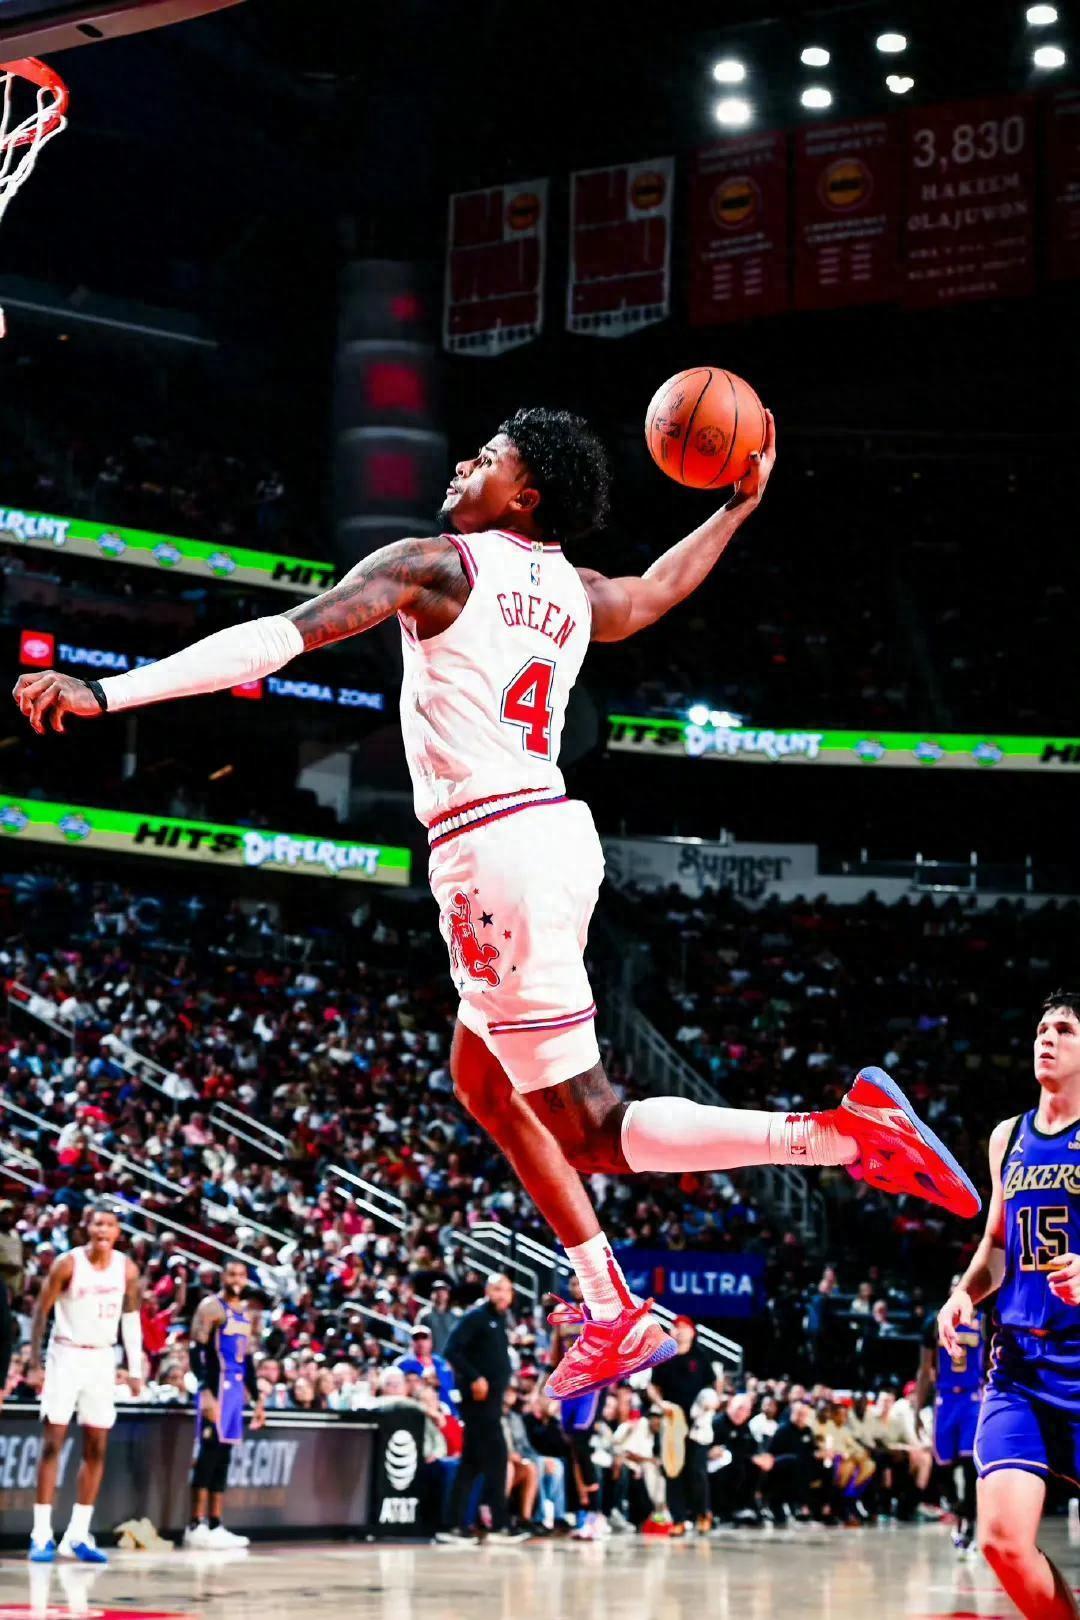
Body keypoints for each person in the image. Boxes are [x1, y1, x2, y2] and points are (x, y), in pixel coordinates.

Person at [15, 411, 981, 1397]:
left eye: (488, 458)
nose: (464, 464)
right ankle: (609, 1308)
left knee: (593, 1133)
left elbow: (280, 639)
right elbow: (652, 592)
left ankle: (838, 1135)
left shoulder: (437, 565)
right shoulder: (573, 590)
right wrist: (735, 509)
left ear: (524, 496)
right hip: (549, 835)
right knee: (481, 1082)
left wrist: (109, 693)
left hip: (491, 856)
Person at [939, 990, 1080, 1619]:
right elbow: (997, 1244)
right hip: (1019, 1366)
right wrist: (963, 1294)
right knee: (1001, 1542)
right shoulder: (1008, 1137)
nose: (1047, 1038)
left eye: (1065, 1030)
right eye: (1043, 1028)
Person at [26, 1205, 143, 1564]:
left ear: (118, 1232)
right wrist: (34, 1362)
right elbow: (40, 1311)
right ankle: (41, 1534)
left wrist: (135, 1368)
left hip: (102, 1358)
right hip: (66, 1354)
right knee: (53, 1444)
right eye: (97, 1224)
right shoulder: (68, 1264)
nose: (103, 1230)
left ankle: (77, 1535)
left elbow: (131, 1318)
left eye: (110, 1224)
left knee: (96, 1447)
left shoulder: (127, 1269)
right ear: (86, 1228)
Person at [184, 1257, 266, 1550]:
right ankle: (195, 1524)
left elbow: (248, 1361)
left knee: (223, 1457)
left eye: (241, 1275)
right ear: (223, 1277)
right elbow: (196, 1350)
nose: (236, 1279)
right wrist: (204, 1391)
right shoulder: (211, 1307)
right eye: (231, 1274)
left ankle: (216, 1524)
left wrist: (257, 1398)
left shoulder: (246, 1314)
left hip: (235, 1391)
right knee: (208, 1455)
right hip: (216, 1387)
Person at [440, 1275, 528, 1542]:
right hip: (478, 1402)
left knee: (471, 1463)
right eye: (498, 1289)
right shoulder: (476, 1317)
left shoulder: (500, 1320)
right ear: (488, 1291)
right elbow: (451, 1350)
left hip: (492, 1402)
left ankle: (454, 1525)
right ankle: (499, 1525)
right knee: (498, 1458)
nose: (503, 1295)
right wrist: (475, 1377)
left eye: (507, 1291)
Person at [916, 1275, 985, 1552]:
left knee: (970, 1466)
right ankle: (957, 1509)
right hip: (945, 1399)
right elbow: (924, 1369)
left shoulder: (984, 1320)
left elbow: (992, 1360)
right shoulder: (933, 1322)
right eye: (954, 1285)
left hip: (973, 1398)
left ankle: (969, 1524)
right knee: (942, 1464)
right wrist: (917, 1407)